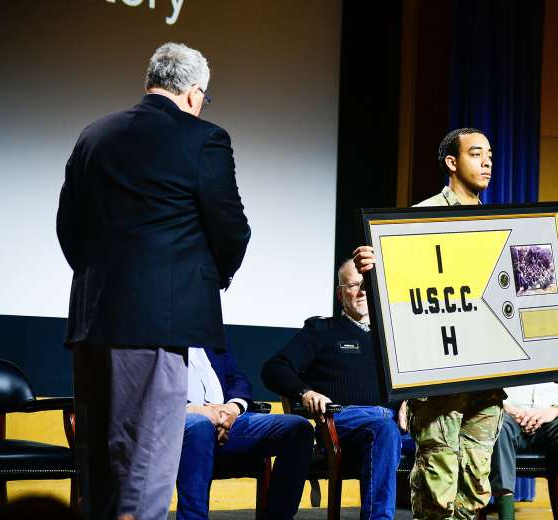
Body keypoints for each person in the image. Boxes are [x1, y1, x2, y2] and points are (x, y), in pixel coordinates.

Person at [56, 42, 250, 520]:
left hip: (92, 320)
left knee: (99, 467)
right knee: (146, 466)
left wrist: (100, 281)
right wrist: (206, 281)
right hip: (158, 322)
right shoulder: (204, 138)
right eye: (205, 96)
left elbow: (67, 227)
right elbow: (231, 230)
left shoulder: (92, 135)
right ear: (192, 92)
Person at [354, 128, 558, 520]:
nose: (488, 161)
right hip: (438, 383)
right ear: (452, 163)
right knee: (438, 489)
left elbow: (530, 298)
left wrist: (557, 363)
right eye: (477, 154)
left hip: (486, 386)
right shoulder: (417, 220)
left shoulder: (502, 227)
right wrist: (373, 267)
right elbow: (401, 299)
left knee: (475, 490)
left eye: (490, 154)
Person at [261, 259, 414, 520]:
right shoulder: (321, 330)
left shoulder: (392, 335)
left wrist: (410, 398)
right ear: (339, 292)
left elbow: (415, 377)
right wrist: (305, 392)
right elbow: (274, 368)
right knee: (384, 429)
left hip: (396, 423)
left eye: (367, 285)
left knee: (445, 437)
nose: (362, 292)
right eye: (353, 285)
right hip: (343, 420)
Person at [178, 337, 314, 520]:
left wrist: (233, 409)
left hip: (228, 418)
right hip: (178, 419)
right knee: (200, 426)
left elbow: (237, 379)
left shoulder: (213, 334)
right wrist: (196, 410)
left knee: (299, 428)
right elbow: (147, 384)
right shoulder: (153, 332)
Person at [490, 332, 558, 520]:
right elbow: (480, 385)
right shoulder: (500, 333)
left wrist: (554, 410)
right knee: (496, 426)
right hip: (509, 416)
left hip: (557, 420)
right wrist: (506, 407)